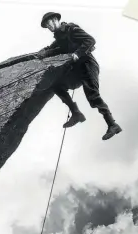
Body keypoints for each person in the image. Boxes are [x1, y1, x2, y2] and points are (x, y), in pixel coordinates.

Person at [37, 12, 122, 141]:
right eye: (46, 26)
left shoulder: (71, 29)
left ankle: (112, 124)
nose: (48, 27)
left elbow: (90, 40)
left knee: (92, 96)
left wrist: (78, 53)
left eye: (49, 23)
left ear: (55, 20)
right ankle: (76, 113)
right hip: (76, 72)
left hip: (88, 65)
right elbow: (53, 49)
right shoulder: (59, 38)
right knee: (56, 85)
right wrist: (43, 52)